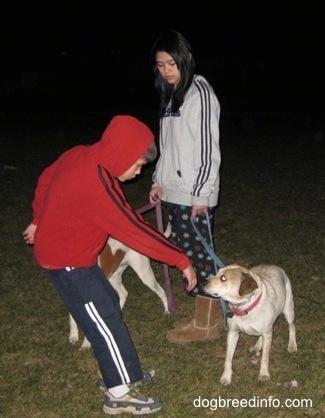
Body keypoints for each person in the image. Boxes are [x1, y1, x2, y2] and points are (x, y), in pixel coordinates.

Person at [23, 115, 197, 416]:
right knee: (103, 323)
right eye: (139, 164)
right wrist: (180, 259)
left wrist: (38, 219)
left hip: (75, 257)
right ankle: (118, 396)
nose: (139, 172)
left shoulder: (82, 154)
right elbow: (133, 228)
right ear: (123, 153)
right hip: (66, 262)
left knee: (109, 308)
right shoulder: (97, 184)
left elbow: (46, 178)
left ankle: (125, 372)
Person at [149, 30, 223, 344]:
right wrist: (158, 180)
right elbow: (168, 148)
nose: (166, 70)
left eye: (172, 63)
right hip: (175, 192)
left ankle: (207, 326)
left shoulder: (200, 94)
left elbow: (207, 149)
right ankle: (201, 317)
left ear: (187, 59)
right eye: (161, 65)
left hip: (194, 195)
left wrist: (201, 195)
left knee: (202, 259)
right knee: (187, 255)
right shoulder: (173, 96)